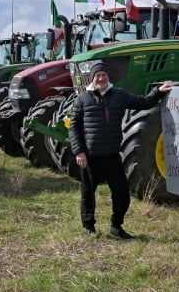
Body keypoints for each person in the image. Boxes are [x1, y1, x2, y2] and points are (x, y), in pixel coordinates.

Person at [69, 62, 173, 239]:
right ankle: (89, 226)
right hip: (90, 157)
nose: (100, 78)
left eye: (103, 75)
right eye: (97, 75)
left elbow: (144, 102)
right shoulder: (83, 99)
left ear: (108, 77)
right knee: (88, 194)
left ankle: (116, 226)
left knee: (122, 193)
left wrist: (158, 92)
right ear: (92, 78)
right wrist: (79, 151)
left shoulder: (119, 95)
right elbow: (73, 128)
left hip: (112, 156)